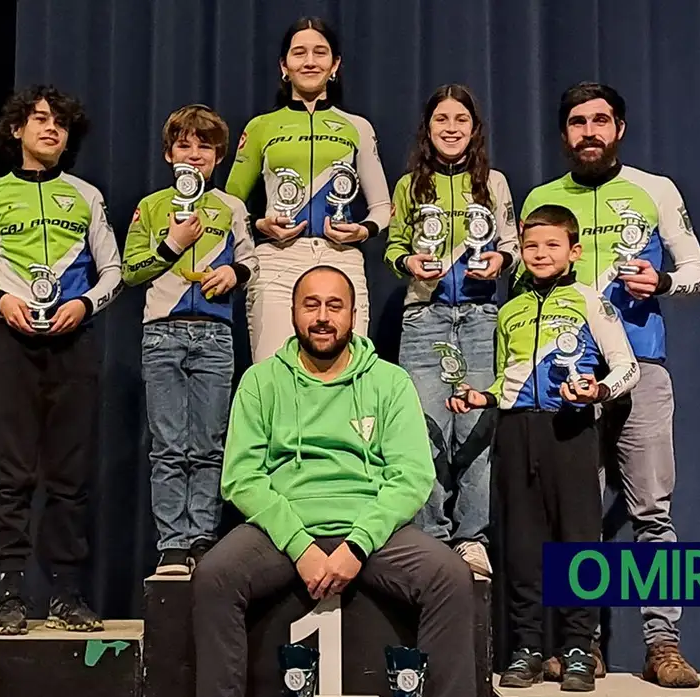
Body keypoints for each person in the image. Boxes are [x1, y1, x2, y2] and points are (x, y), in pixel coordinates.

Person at [192, 266, 477, 697]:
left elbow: (412, 476)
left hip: (371, 530)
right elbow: (241, 477)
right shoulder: (261, 381)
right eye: (311, 304)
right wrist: (300, 546)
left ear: (353, 314)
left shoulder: (388, 381)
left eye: (334, 305)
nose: (322, 316)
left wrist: (358, 544)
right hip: (283, 529)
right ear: (292, 313)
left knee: (451, 578)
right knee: (213, 576)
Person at [518, 82, 700, 687]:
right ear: (564, 134)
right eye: (577, 122)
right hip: (567, 377)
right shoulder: (542, 198)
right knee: (578, 517)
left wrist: (666, 282)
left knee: (653, 511)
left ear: (619, 128)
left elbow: (698, 272)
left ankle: (663, 646)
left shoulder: (656, 189)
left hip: (641, 369)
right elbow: (529, 292)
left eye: (601, 120)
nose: (589, 132)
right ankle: (585, 646)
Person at [449, 205, 639, 693]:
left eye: (552, 245)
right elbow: (505, 378)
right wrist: (481, 397)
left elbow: (627, 367)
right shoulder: (509, 309)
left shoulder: (590, 301)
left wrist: (598, 391)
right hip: (515, 433)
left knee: (577, 542)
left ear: (574, 251)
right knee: (522, 546)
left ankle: (577, 647)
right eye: (531, 245)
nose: (540, 253)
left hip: (571, 431)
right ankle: (527, 648)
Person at [0, 85, 122, 635]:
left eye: (61, 123)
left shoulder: (86, 196)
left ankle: (66, 594)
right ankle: (9, 594)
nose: (52, 129)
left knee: (70, 474)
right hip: (7, 342)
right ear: (16, 130)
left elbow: (114, 272)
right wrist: (1, 301)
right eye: (41, 119)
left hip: (74, 341)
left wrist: (83, 303)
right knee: (13, 472)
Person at [384, 84, 519, 577]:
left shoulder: (495, 184)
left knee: (478, 431)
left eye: (460, 119)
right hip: (425, 316)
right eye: (441, 119)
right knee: (425, 431)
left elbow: (514, 247)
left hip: (483, 317)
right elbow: (392, 247)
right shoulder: (408, 187)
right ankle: (431, 535)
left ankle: (472, 538)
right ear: (428, 128)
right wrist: (408, 261)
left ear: (475, 130)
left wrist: (501, 261)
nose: (451, 128)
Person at [122, 104, 258, 576]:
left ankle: (202, 536)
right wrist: (172, 244)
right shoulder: (152, 206)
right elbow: (130, 270)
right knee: (168, 445)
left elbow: (251, 261)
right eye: (185, 145)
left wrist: (231, 272)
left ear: (219, 155)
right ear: (168, 154)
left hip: (215, 335)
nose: (194, 154)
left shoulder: (231, 208)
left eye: (204, 146)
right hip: (162, 334)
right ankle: (172, 544)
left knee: (208, 443)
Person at [226, 16, 391, 363]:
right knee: (273, 375)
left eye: (320, 52)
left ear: (335, 65)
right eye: (299, 53)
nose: (310, 61)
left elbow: (382, 207)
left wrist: (362, 230)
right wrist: (260, 225)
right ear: (284, 66)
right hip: (276, 261)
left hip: (341, 258)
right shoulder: (261, 127)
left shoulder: (358, 127)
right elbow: (229, 205)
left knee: (348, 377)